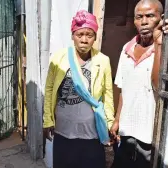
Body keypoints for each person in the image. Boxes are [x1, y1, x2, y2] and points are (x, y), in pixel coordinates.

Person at [43, 10, 115, 168]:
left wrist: (109, 124)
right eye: (79, 34)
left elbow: (108, 93)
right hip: (63, 131)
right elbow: (49, 90)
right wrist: (47, 120)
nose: (84, 40)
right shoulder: (58, 59)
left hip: (92, 133)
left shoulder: (103, 61)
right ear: (72, 35)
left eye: (89, 35)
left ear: (95, 37)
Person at [110, 0, 168, 167]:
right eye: (139, 17)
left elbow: (158, 86)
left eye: (150, 16)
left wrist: (159, 43)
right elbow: (124, 89)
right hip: (126, 133)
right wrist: (117, 120)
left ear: (161, 18)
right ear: (134, 21)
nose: (144, 21)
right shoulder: (126, 49)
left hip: (149, 139)